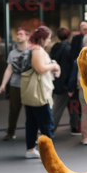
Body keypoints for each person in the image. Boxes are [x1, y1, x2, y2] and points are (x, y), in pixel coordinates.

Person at [24, 26, 61, 159]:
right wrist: (54, 65)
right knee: (47, 124)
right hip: (39, 93)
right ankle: (49, 155)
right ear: (43, 39)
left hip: (30, 93)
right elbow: (40, 68)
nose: (49, 40)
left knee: (32, 123)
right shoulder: (38, 50)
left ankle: (30, 150)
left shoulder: (30, 48)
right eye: (49, 38)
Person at [0, 27, 30, 141]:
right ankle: (10, 132)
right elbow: (9, 69)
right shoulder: (12, 53)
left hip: (29, 86)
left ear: (27, 37)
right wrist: (3, 84)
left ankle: (31, 133)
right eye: (17, 34)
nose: (18, 36)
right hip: (15, 85)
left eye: (21, 34)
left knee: (31, 112)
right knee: (13, 110)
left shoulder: (32, 51)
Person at [50, 27, 80, 135]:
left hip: (57, 81)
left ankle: (75, 127)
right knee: (67, 106)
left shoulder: (55, 47)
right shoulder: (70, 48)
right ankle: (49, 130)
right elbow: (71, 68)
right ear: (68, 35)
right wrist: (71, 84)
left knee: (69, 105)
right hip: (68, 82)